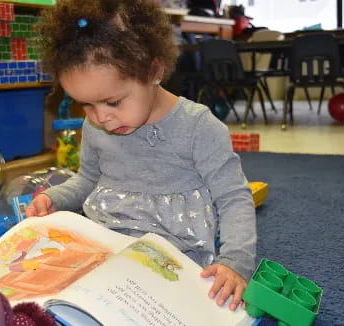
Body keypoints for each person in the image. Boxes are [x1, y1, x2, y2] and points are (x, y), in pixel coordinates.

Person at [28, 0, 257, 311]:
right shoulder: (97, 125)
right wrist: (57, 198)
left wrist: (235, 262)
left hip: (175, 257)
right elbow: (87, 180)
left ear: (154, 70)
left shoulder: (198, 127)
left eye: (113, 102)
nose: (100, 118)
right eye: (87, 105)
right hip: (107, 247)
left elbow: (233, 198)